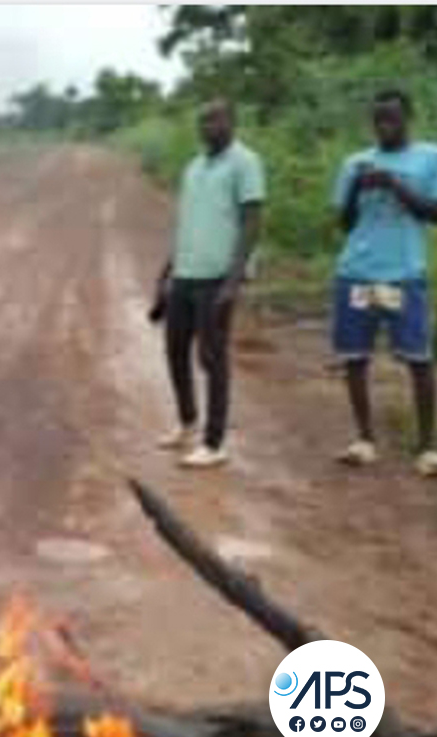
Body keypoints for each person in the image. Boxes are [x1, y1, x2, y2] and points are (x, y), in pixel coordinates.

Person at [328, 89, 437, 477]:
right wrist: (356, 186)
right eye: (378, 120)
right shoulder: (355, 162)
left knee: (418, 360)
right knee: (355, 357)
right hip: (357, 274)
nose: (384, 126)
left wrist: (394, 185)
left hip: (404, 276)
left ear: (408, 118)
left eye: (392, 118)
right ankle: (364, 440)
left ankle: (428, 449)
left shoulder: (433, 157)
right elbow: (345, 224)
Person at [151, 99, 264, 469]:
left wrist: (234, 280)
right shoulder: (194, 167)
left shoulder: (245, 163)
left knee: (212, 358)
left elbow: (251, 223)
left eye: (215, 120)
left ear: (232, 121)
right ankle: (187, 425)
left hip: (217, 278)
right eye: (203, 121)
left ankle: (215, 444)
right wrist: (166, 274)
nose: (207, 127)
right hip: (185, 274)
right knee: (175, 350)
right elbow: (188, 223)